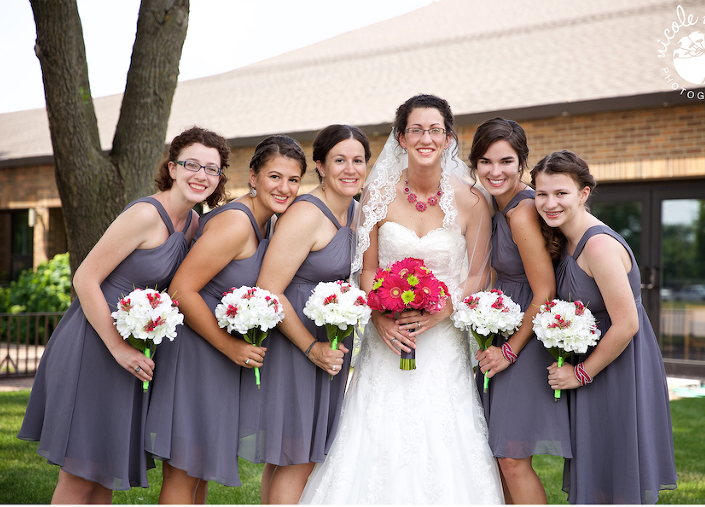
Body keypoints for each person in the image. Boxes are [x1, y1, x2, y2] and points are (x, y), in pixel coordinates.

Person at [300, 94, 504, 504]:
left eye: (435, 130)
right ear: (401, 137)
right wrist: (379, 317)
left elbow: (480, 272)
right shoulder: (376, 194)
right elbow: (368, 270)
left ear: (448, 139)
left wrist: (445, 311)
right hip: (388, 336)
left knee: (443, 432)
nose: (426, 138)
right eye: (416, 130)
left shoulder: (473, 200)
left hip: (443, 339)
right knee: (377, 431)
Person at [17, 126, 230, 504]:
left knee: (105, 477)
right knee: (80, 475)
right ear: (173, 168)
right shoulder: (146, 215)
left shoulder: (194, 224)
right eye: (192, 165)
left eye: (211, 169)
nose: (201, 175)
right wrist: (118, 348)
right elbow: (85, 278)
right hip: (96, 343)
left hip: (135, 348)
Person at [143, 135, 306, 503]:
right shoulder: (237, 223)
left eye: (293, 180)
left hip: (218, 357)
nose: (284, 188)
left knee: (199, 473)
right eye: (275, 177)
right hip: (196, 354)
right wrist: (231, 346)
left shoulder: (267, 224)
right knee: (184, 473)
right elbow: (182, 290)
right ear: (253, 176)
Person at [531, 150, 678, 504]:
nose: (550, 203)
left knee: (615, 473)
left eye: (561, 193)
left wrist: (580, 374)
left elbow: (626, 324)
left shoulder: (597, 245)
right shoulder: (564, 239)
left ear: (584, 193)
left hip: (618, 367)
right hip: (595, 364)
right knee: (596, 474)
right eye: (542, 193)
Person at [249, 124, 370, 504]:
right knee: (297, 457)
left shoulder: (358, 212)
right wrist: (310, 347)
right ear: (320, 165)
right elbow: (269, 289)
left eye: (358, 160)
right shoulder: (305, 214)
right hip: (296, 344)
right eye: (339, 160)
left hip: (330, 345)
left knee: (294, 456)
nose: (350, 169)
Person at [468, 118, 571, 504]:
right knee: (499, 455)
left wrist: (509, 350)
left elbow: (544, 291)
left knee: (512, 458)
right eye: (485, 161)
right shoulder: (494, 206)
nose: (495, 171)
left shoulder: (523, 211)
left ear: (522, 162)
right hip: (502, 332)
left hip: (524, 340)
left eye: (506, 161)